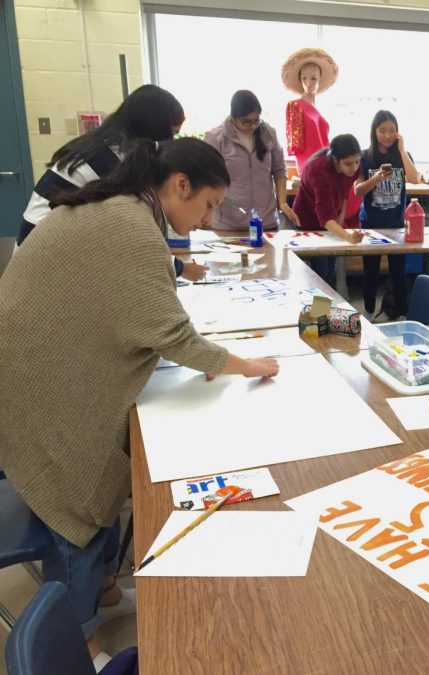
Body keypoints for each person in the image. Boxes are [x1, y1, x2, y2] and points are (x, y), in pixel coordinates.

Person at [0, 137, 280, 667]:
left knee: (103, 478)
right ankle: (78, 637)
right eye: (207, 204)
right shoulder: (131, 225)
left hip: (34, 374)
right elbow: (171, 332)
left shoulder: (123, 209)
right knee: (75, 509)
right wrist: (245, 365)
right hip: (41, 391)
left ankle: (104, 592)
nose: (205, 218)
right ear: (180, 185)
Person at [16, 84, 205, 282]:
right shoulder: (117, 163)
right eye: (172, 133)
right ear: (155, 128)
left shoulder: (101, 148)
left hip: (35, 253)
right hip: (40, 262)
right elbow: (136, 239)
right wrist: (181, 268)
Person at [282, 47, 362, 229]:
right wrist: (304, 176)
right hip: (312, 168)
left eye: (314, 78)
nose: (309, 83)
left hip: (328, 164)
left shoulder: (317, 108)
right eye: (304, 78)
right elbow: (296, 147)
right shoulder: (295, 106)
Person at [354, 110, 422, 322]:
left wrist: (402, 150)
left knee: (398, 272)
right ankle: (369, 312)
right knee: (371, 273)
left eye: (392, 130)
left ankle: (401, 313)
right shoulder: (365, 156)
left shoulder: (402, 155)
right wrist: (376, 178)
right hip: (371, 225)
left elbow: (414, 179)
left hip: (397, 225)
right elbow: (358, 190)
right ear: (374, 132)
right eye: (382, 130)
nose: (387, 135)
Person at [204, 90, 299, 231]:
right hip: (229, 223)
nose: (253, 126)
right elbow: (206, 175)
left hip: (265, 222)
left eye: (256, 120)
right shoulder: (216, 137)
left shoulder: (268, 133)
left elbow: (279, 170)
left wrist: (283, 202)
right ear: (233, 117)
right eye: (247, 122)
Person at [293, 134, 364, 285]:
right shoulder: (319, 171)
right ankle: (317, 306)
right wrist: (348, 236)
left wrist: (341, 217)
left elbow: (344, 192)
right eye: (348, 164)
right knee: (321, 271)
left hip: (331, 219)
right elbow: (324, 218)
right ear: (335, 160)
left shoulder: (354, 168)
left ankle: (329, 305)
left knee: (331, 267)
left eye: (357, 162)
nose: (354, 168)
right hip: (308, 220)